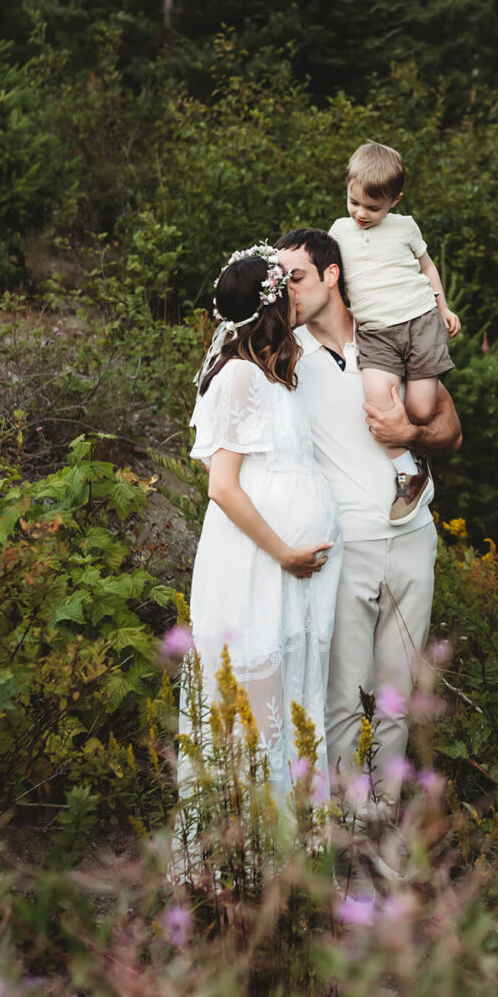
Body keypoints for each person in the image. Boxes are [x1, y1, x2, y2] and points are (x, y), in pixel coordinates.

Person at [275, 227, 461, 808]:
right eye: (280, 280)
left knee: (397, 694)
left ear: (332, 274)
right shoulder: (283, 356)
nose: (287, 289)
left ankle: (384, 819)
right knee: (344, 697)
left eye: (297, 277)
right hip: (344, 547)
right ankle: (347, 825)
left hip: (413, 539)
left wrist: (411, 432)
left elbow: (451, 432)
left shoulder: (393, 332)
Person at [185, 244, 344, 791]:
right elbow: (222, 488)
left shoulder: (270, 374)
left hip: (287, 571)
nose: (297, 297)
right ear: (270, 307)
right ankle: (250, 851)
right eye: (286, 288)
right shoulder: (239, 378)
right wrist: (283, 552)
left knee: (288, 708)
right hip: (257, 565)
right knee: (259, 712)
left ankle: (289, 844)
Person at [326, 142, 461, 525]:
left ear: (394, 199)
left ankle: (419, 451)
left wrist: (443, 306)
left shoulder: (405, 227)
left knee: (418, 410)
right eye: (354, 203)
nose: (361, 214)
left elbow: (427, 268)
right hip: (375, 333)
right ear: (348, 189)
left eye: (373, 207)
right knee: (377, 406)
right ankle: (409, 471)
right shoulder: (339, 231)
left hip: (420, 321)